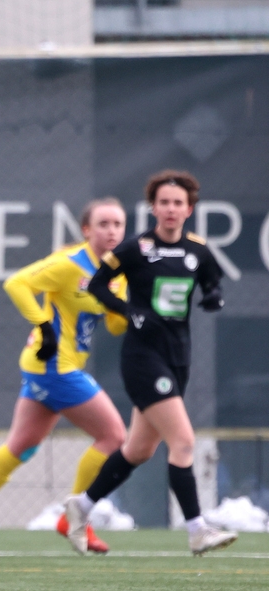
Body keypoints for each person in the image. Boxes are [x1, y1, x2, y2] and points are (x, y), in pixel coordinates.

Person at [0, 198, 129, 556]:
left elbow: (117, 326)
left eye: (118, 224)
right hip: (55, 366)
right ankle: (75, 519)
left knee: (20, 447)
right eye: (103, 224)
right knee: (114, 436)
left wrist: (125, 309)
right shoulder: (70, 264)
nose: (112, 231)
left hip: (50, 368)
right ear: (86, 230)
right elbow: (17, 284)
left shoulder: (116, 273)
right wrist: (43, 324)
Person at [64, 170, 237, 556]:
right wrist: (128, 312)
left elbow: (213, 285)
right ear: (153, 207)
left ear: (189, 208)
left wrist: (213, 297)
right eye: (164, 202)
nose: (171, 209)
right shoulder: (136, 248)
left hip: (179, 357)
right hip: (143, 358)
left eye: (178, 203)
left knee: (139, 449)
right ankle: (197, 529)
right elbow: (96, 285)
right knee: (184, 441)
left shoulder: (199, 250)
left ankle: (82, 506)